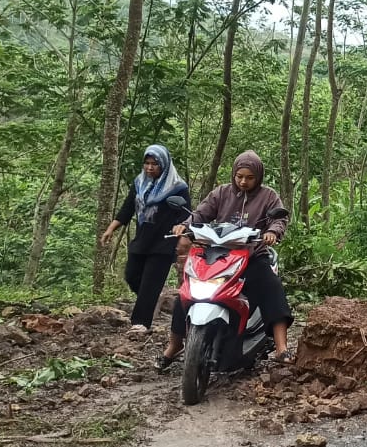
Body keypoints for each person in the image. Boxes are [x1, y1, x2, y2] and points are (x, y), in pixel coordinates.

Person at [161, 150, 293, 369]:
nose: (243, 181)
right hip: (218, 255)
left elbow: (279, 220)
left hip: (252, 255)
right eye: (239, 176)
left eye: (250, 178)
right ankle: (173, 346)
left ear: (258, 177)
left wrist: (272, 232)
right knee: (187, 291)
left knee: (272, 287)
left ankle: (281, 347)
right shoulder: (221, 193)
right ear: (233, 174)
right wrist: (185, 225)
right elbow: (200, 214)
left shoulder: (268, 196)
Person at [100, 145, 190, 335]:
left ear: (163, 165)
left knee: (150, 283)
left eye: (155, 164)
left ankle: (141, 323)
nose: (150, 168)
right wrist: (111, 229)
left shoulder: (177, 188)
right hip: (142, 240)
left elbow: (185, 215)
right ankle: (150, 300)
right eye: (147, 163)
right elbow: (127, 209)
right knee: (132, 276)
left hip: (164, 243)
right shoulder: (139, 183)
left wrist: (181, 232)